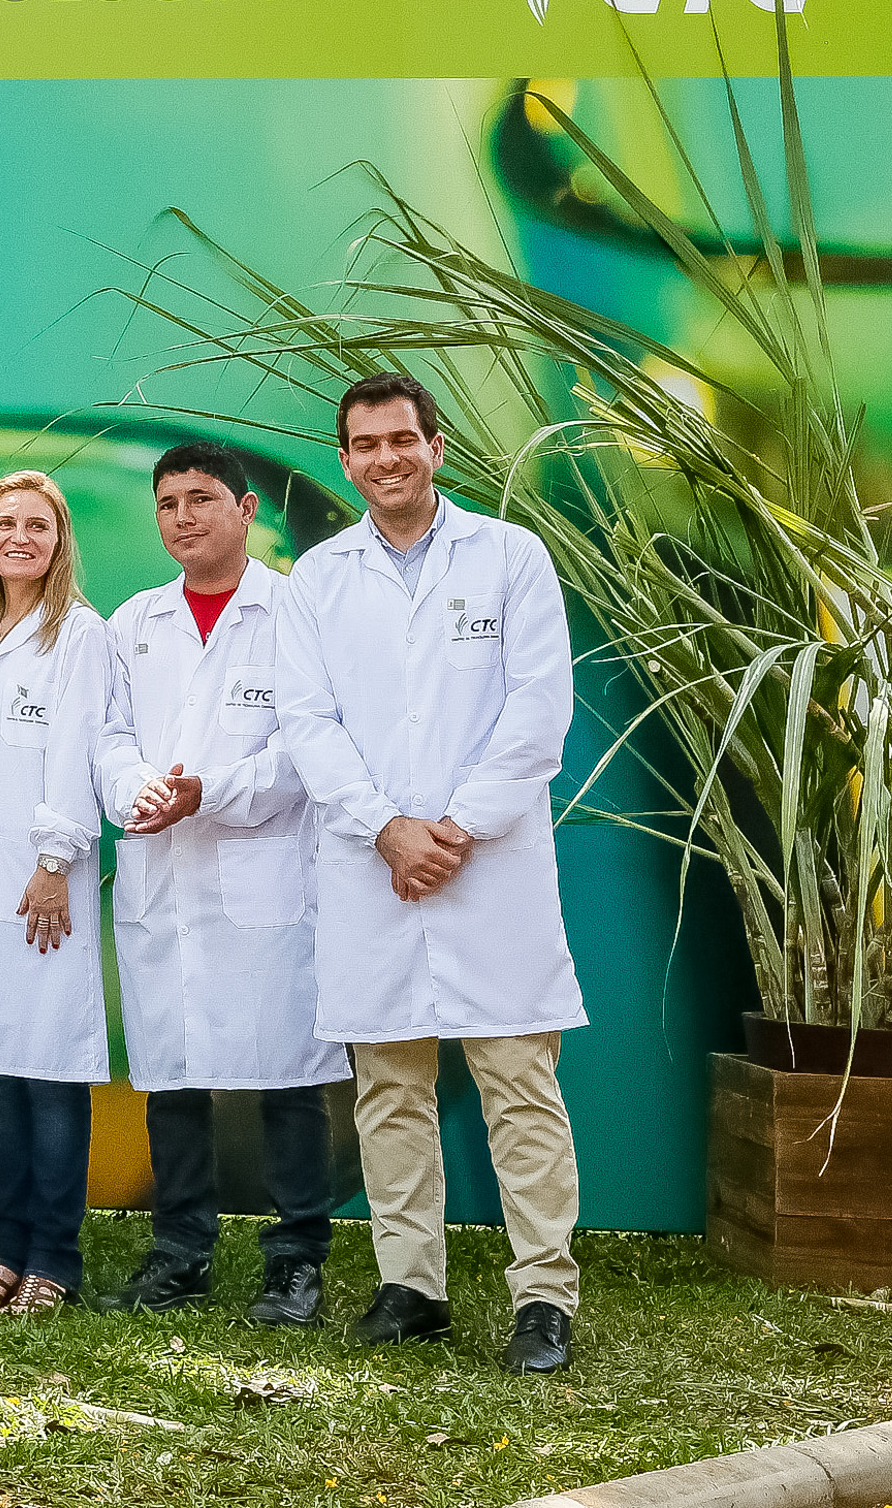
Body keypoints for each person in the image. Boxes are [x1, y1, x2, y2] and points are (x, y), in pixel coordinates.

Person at [276, 373, 582, 1375]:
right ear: (344, 459)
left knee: (516, 1084)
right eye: (363, 444)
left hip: (485, 864)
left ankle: (542, 1294)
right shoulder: (314, 579)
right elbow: (305, 725)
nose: (383, 459)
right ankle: (410, 1284)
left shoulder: (507, 557)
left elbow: (538, 711)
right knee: (389, 1088)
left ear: (435, 447)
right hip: (373, 867)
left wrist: (451, 826)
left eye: (400, 439)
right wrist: (384, 829)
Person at [91, 441, 344, 1327]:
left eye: (202, 499)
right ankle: (180, 1251)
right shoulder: (135, 622)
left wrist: (213, 792)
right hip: (163, 874)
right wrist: (136, 789)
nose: (183, 517)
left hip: (264, 876)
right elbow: (110, 737)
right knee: (173, 1074)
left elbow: (309, 748)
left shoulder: (293, 612)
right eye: (167, 504)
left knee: (286, 1077)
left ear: (245, 510)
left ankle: (296, 1262)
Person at [0, 469, 113, 1317]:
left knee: (50, 1072)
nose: (19, 538)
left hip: (43, 883)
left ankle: (54, 1258)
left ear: (59, 538)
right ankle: (5, 1247)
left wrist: (53, 863)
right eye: (5, 523)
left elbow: (77, 753)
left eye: (36, 525)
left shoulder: (80, 634)